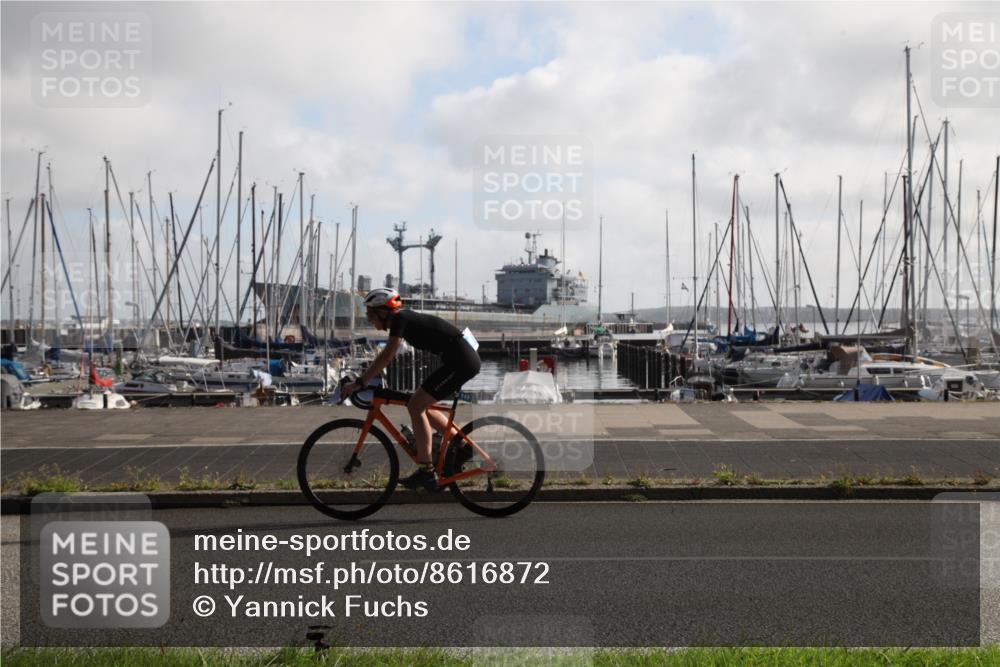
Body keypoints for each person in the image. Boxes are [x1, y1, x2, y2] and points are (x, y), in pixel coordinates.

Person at [341, 288, 480, 491]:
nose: (369, 319)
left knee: (416, 405)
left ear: (383, 311)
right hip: (457, 360)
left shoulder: (399, 319)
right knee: (419, 403)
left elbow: (388, 354)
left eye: (371, 314)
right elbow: (388, 355)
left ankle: (426, 471)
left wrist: (360, 382)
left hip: (461, 362)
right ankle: (462, 448)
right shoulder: (401, 319)